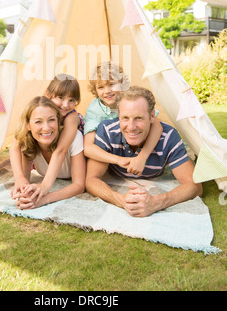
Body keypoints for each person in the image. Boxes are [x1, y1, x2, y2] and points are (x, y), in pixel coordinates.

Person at [85, 86, 203, 217]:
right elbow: (91, 180)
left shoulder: (169, 136)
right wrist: (120, 200)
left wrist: (156, 202)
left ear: (152, 116)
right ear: (118, 116)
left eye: (139, 118)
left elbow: (195, 186)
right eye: (125, 118)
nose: (131, 127)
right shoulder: (107, 131)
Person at [11, 74, 83, 206]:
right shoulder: (40, 111)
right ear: (48, 94)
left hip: (73, 153)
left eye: (71, 100)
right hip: (52, 148)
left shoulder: (71, 119)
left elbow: (60, 150)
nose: (66, 105)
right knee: (26, 140)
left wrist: (44, 189)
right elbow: (15, 145)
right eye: (60, 98)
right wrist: (20, 180)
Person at [84, 62, 163, 176]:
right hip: (112, 155)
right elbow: (88, 148)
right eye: (100, 87)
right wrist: (118, 160)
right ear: (95, 90)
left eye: (111, 84)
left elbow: (157, 125)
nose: (107, 91)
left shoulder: (131, 100)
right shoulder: (95, 110)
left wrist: (142, 157)